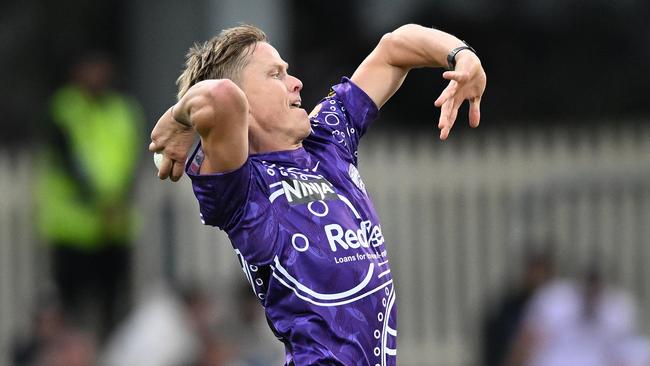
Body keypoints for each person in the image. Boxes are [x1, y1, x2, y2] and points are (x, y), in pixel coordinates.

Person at [149, 23, 486, 365]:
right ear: (244, 106)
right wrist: (180, 118)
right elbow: (220, 97)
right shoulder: (244, 188)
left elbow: (394, 51)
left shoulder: (327, 142)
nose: (296, 82)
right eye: (275, 75)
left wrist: (462, 55)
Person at [35, 51, 144, 340]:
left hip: (114, 229)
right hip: (75, 229)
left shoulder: (123, 110)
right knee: (71, 309)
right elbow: (69, 162)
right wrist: (103, 201)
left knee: (113, 308)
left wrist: (116, 200)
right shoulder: (65, 108)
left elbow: (132, 159)